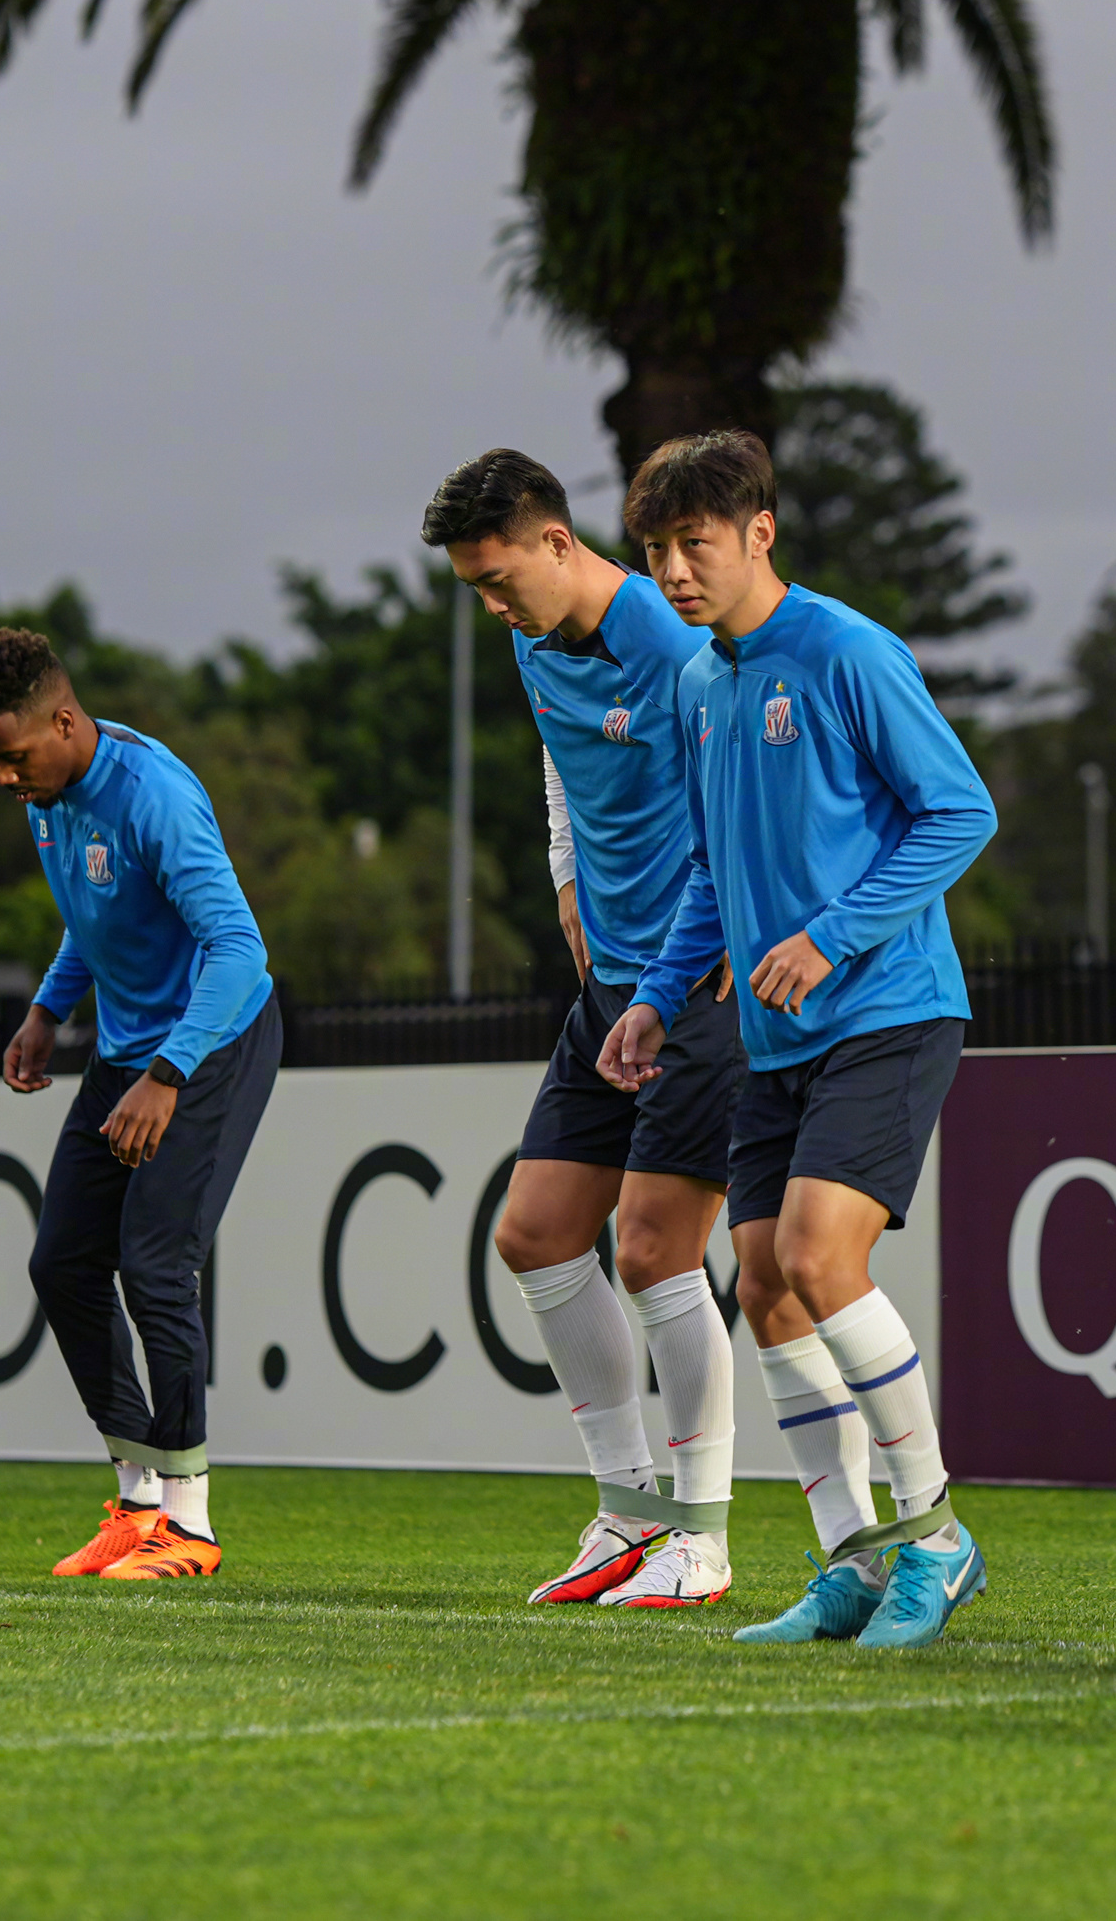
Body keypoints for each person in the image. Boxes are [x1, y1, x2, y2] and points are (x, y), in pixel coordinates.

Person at [598, 429, 998, 1649]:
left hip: (890, 1007)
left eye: (694, 544)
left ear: (760, 531)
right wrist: (660, 992)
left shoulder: (847, 649)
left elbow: (960, 810)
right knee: (766, 1286)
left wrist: (832, 933)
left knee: (824, 1262)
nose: (672, 571)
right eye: (656, 550)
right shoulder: (700, 683)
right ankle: (854, 1562)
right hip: (774, 1035)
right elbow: (716, 871)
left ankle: (935, 1535)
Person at [419, 448, 759, 1610]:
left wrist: (692, 965)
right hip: (608, 985)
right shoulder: (530, 637)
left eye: (501, 576)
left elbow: (734, 810)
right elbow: (564, 772)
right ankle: (625, 1510)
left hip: (699, 987)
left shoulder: (673, 644)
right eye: (474, 586)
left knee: (657, 1247)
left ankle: (700, 1535)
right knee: (534, 1232)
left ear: (561, 542)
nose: (493, 604)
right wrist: (564, 874)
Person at [0, 627, 281, 1582]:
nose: (5, 782)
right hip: (128, 1052)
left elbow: (238, 950)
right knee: (62, 1263)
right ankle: (138, 1501)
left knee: (154, 1265)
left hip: (212, 1041)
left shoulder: (157, 799)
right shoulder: (49, 791)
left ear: (64, 722)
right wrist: (47, 1008)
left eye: (13, 758)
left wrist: (169, 1073)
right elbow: (93, 915)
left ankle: (190, 1522)